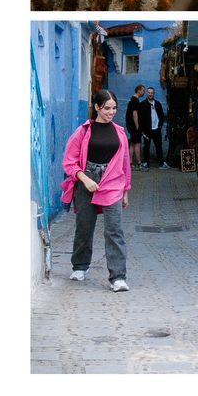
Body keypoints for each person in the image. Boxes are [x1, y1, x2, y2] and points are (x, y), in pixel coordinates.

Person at [62, 90, 133, 291]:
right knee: (84, 226)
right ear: (97, 108)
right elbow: (69, 162)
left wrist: (126, 190)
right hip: (86, 182)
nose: (111, 112)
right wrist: (84, 179)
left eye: (114, 108)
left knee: (114, 230)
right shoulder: (83, 132)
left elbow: (125, 163)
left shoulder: (119, 132)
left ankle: (118, 277)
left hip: (112, 183)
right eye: (107, 108)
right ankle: (80, 266)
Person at [140, 87, 168, 168]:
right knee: (146, 146)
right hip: (147, 130)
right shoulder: (143, 104)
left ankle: (161, 163)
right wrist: (142, 130)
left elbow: (162, 116)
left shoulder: (158, 104)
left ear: (154, 93)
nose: (150, 94)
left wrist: (160, 126)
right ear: (147, 93)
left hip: (156, 129)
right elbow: (140, 118)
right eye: (149, 92)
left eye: (152, 93)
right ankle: (146, 163)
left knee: (159, 146)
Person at [124, 88, 147, 167]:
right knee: (137, 144)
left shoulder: (132, 99)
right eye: (143, 90)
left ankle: (130, 163)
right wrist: (137, 126)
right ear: (139, 90)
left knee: (133, 144)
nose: (144, 92)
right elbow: (134, 114)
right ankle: (139, 163)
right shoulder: (135, 100)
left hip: (130, 125)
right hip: (134, 126)